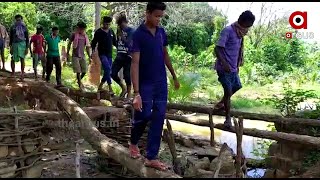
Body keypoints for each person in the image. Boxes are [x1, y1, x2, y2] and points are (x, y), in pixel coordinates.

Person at [129, 2, 180, 171]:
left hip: (160, 82)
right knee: (143, 115)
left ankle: (151, 156)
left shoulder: (161, 33)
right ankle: (133, 141)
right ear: (147, 14)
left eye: (161, 17)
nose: (159, 19)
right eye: (157, 16)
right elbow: (135, 63)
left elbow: (165, 54)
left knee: (158, 118)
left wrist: (173, 75)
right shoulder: (138, 35)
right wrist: (136, 93)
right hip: (145, 83)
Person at [213, 10, 255, 128]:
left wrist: (236, 66)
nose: (248, 28)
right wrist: (224, 63)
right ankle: (227, 120)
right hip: (224, 68)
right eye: (247, 25)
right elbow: (218, 49)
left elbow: (238, 51)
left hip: (233, 68)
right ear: (242, 21)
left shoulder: (241, 34)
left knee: (236, 87)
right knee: (228, 90)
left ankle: (222, 103)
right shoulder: (228, 31)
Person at [91, 16, 117, 94]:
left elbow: (115, 42)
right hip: (102, 54)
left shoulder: (111, 32)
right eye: (106, 24)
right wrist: (92, 52)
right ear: (103, 23)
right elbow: (94, 42)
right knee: (108, 69)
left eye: (109, 24)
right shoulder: (98, 32)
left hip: (109, 54)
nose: (107, 26)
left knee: (108, 71)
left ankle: (100, 85)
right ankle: (110, 87)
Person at [111, 15, 135, 98]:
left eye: (122, 24)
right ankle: (123, 87)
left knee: (127, 75)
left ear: (125, 22)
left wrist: (121, 35)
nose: (121, 26)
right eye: (119, 25)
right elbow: (117, 43)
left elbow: (128, 43)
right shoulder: (118, 30)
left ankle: (129, 93)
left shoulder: (131, 31)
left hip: (128, 56)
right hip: (119, 55)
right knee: (112, 73)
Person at [67, 22, 91, 91]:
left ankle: (79, 80)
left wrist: (89, 56)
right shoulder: (74, 35)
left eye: (83, 29)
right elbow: (69, 43)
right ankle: (80, 84)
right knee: (78, 71)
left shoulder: (85, 36)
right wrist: (67, 53)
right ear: (78, 28)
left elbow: (87, 47)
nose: (82, 30)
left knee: (84, 70)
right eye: (81, 29)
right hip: (75, 55)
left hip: (82, 55)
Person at [9, 14, 29, 79]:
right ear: (15, 20)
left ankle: (22, 73)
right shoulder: (12, 27)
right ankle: (13, 73)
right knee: (12, 58)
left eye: (19, 20)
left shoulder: (24, 27)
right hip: (14, 44)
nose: (18, 21)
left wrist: (27, 48)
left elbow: (27, 38)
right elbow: (11, 37)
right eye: (17, 20)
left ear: (21, 20)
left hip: (22, 43)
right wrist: (10, 47)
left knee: (22, 58)